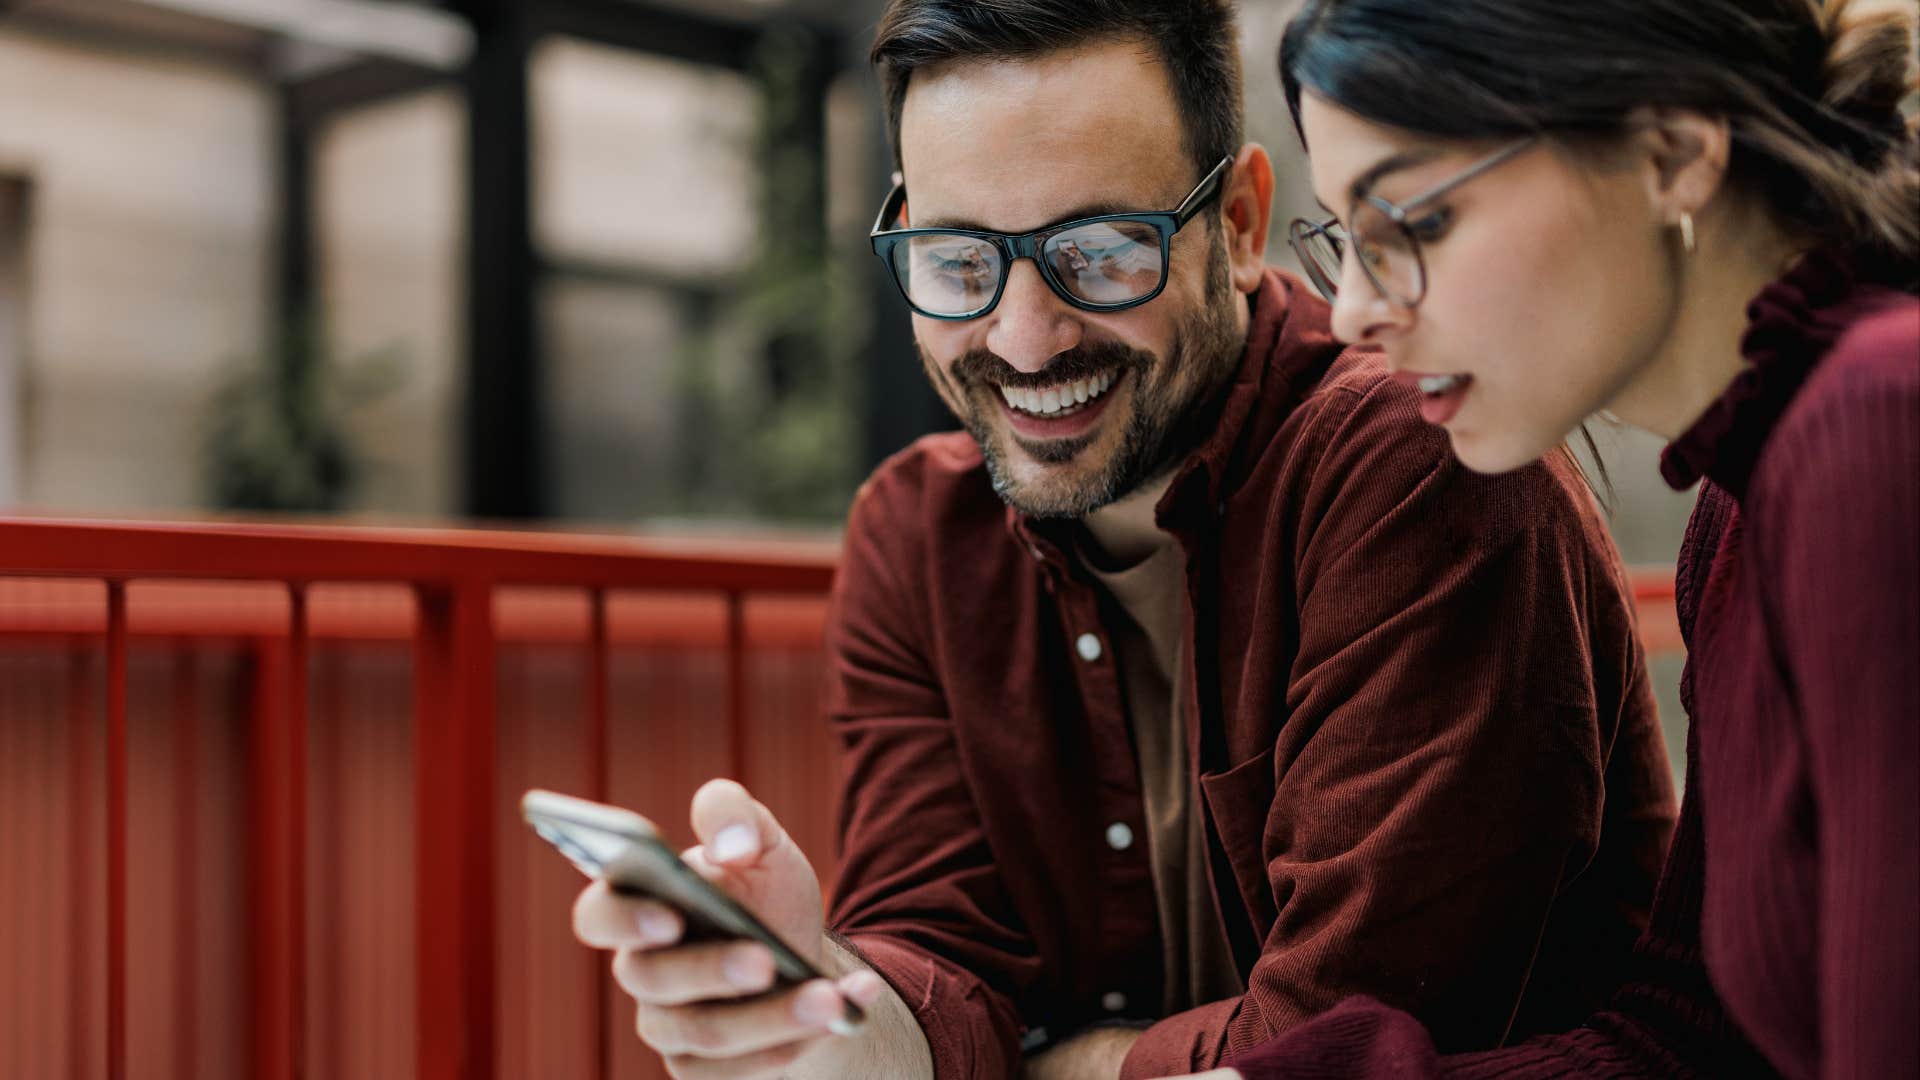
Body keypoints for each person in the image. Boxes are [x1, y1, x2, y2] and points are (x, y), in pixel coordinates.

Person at [569, 2, 1683, 1077]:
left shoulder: (1421, 464)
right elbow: (934, 974)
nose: (1023, 338)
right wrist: (818, 1006)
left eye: (1099, 252)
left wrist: (1041, 1067)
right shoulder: (915, 533)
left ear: (1239, 226)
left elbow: (1345, 1045)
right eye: (958, 261)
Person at [1213, 0, 1919, 1077]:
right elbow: (1687, 1038)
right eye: (1347, 240)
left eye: (1417, 222)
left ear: (1672, 154)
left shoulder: (1875, 421)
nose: (1351, 308)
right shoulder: (1739, 510)